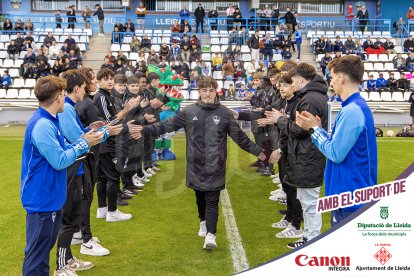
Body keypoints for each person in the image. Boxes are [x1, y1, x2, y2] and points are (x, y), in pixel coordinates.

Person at [141, 77, 265, 250]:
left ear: (216, 92)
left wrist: (259, 152)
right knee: (200, 197)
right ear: (199, 91)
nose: (208, 94)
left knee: (212, 200)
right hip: (195, 165)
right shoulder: (189, 111)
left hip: (216, 165)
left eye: (211, 90)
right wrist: (143, 130)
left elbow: (241, 138)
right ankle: (203, 222)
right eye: (204, 90)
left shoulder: (224, 113)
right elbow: (165, 126)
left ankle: (211, 236)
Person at [21, 76, 102, 276]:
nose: (65, 98)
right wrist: (84, 144)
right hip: (41, 199)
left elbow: (66, 149)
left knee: (42, 255)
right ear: (58, 97)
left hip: (50, 197)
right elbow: (59, 160)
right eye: (64, 94)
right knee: (36, 257)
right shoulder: (43, 125)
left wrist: (86, 139)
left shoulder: (50, 120)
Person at [296, 55, 377, 226]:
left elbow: (336, 154)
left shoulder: (352, 111)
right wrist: (318, 130)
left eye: (332, 77)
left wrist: (313, 129)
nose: (331, 82)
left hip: (351, 196)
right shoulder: (353, 107)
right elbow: (337, 146)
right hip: (350, 194)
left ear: (341, 78)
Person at [93, 68, 142, 222]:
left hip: (103, 143)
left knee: (102, 177)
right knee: (113, 177)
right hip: (107, 143)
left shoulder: (106, 96)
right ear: (99, 81)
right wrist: (127, 109)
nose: (109, 81)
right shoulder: (101, 97)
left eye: (111, 78)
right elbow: (110, 122)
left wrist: (126, 112)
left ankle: (102, 209)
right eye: (105, 78)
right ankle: (112, 211)